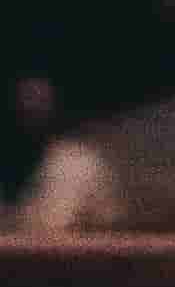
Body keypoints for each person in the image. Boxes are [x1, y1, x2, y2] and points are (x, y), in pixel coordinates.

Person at [8, 71, 130, 233]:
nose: (31, 109)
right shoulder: (12, 165)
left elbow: (111, 228)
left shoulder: (84, 164)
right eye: (24, 107)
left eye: (39, 103)